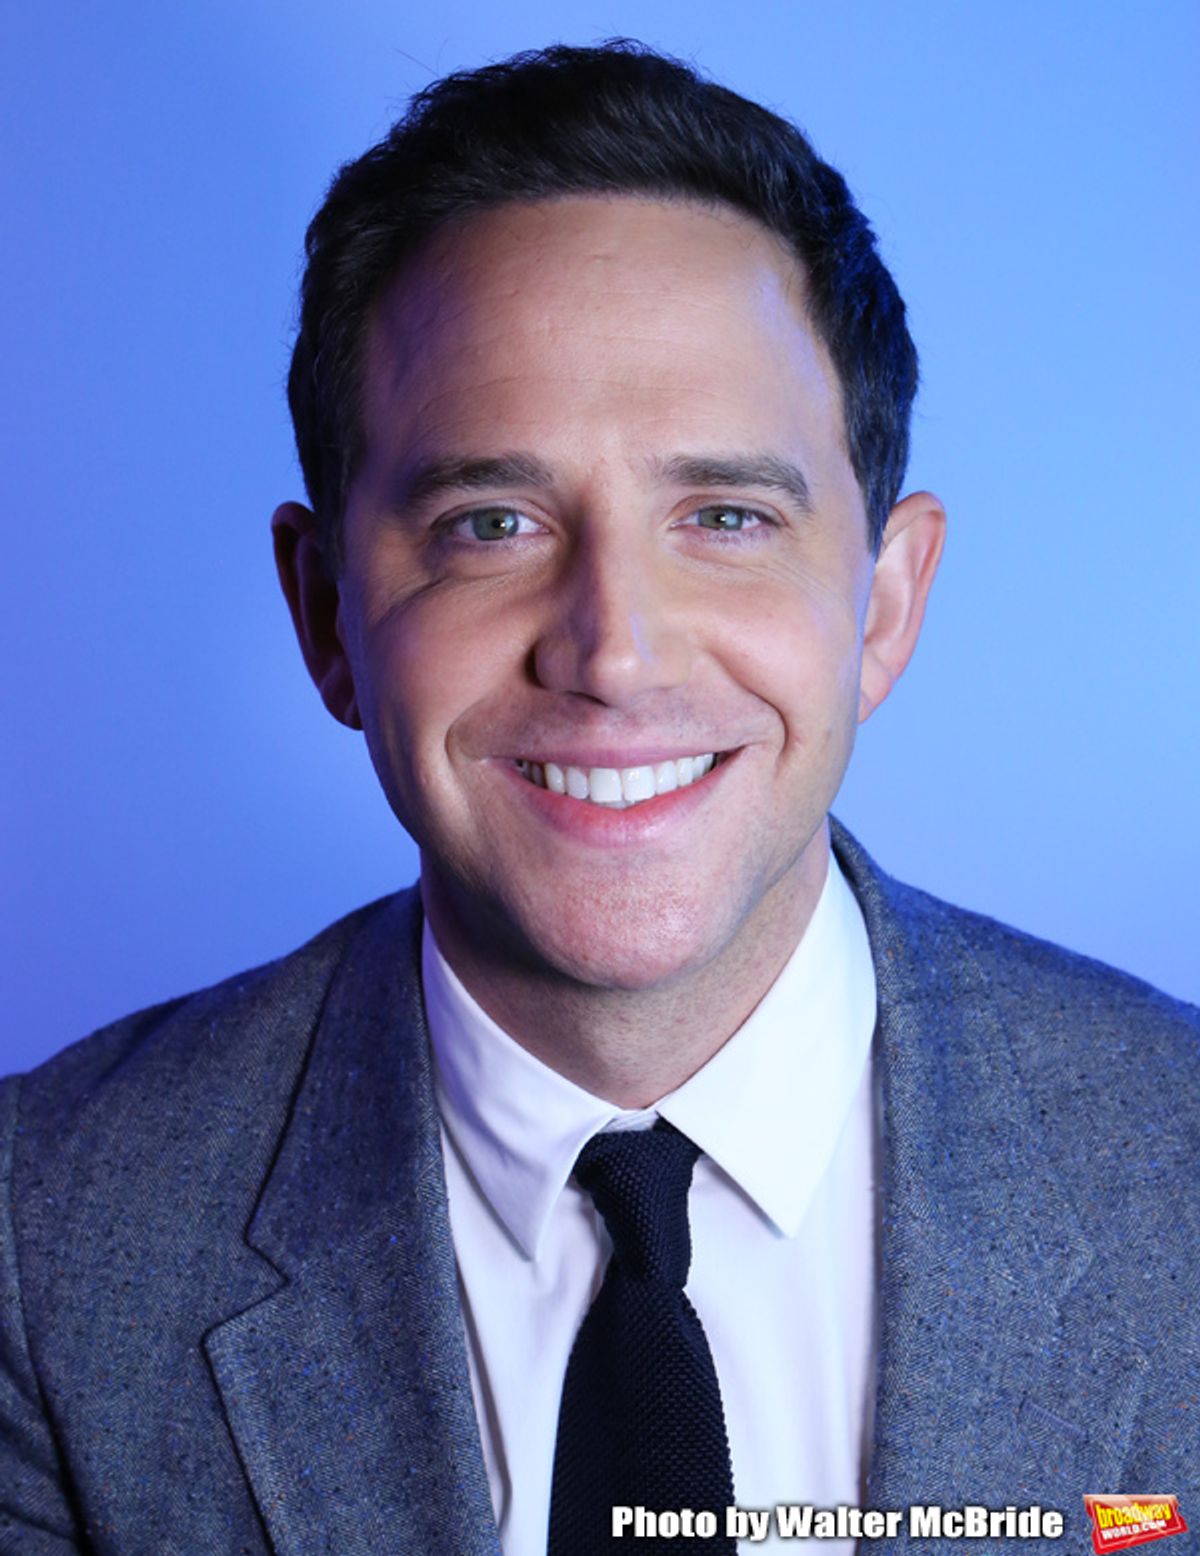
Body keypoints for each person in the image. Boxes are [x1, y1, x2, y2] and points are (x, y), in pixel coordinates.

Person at [1, 40, 1196, 1556]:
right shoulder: (47, 1237)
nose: (612, 653)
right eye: (491, 523)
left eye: (726, 516)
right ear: (325, 616)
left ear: (887, 605)